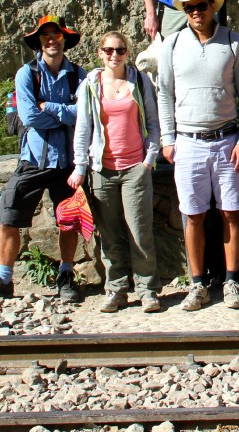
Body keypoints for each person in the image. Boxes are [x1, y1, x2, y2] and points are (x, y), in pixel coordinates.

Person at [0, 15, 88, 302]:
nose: (51, 40)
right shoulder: (27, 74)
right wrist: (65, 115)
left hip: (67, 164)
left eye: (56, 35)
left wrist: (51, 108)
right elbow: (29, 116)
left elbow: (85, 115)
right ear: (39, 41)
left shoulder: (79, 75)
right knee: (9, 217)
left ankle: (66, 274)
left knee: (68, 221)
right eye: (46, 36)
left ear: (64, 40)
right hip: (33, 159)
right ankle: (4, 278)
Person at [158, 0, 239, 310]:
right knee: (193, 215)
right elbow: (163, 93)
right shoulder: (171, 46)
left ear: (212, 6)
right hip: (188, 142)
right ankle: (197, 284)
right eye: (189, 7)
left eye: (201, 5)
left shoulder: (233, 42)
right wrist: (167, 139)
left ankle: (231, 281)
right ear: (184, 11)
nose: (196, 12)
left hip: (227, 140)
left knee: (231, 211)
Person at [72, 31, 162, 313]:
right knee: (109, 235)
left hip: (135, 167)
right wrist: (80, 166)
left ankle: (147, 290)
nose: (114, 55)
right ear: (100, 53)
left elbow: (153, 121)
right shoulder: (90, 84)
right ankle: (117, 289)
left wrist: (149, 159)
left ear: (127, 52)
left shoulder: (139, 81)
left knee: (140, 232)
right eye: (109, 50)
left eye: (120, 50)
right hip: (103, 170)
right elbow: (83, 128)